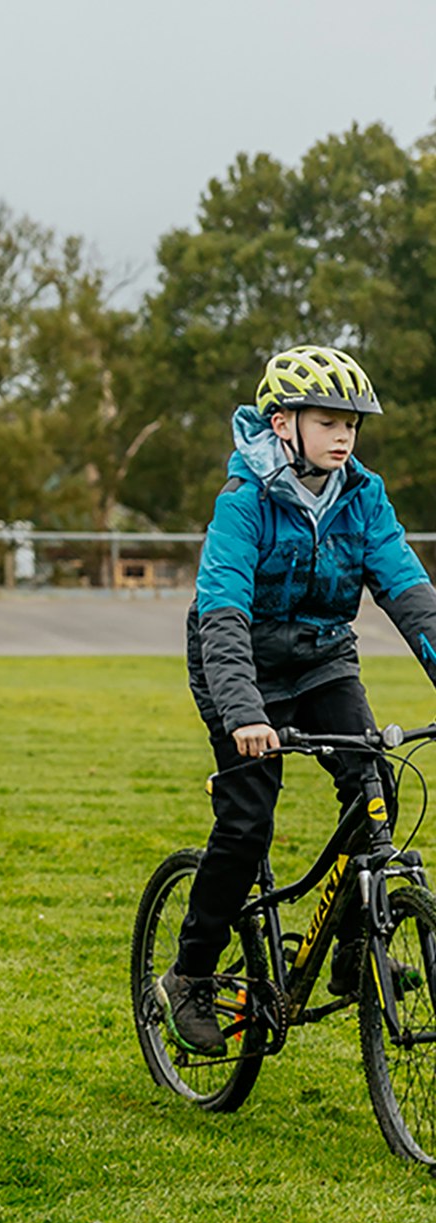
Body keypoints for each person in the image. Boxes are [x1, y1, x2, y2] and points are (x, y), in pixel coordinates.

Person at [159, 345, 436, 1056]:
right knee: (248, 821)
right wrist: (245, 712)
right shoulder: (243, 499)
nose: (344, 435)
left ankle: (353, 949)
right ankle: (189, 976)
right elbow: (221, 611)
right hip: (238, 663)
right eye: (328, 419)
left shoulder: (361, 496)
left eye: (353, 422)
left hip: (321, 662)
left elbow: (411, 597)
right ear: (284, 423)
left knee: (375, 785)